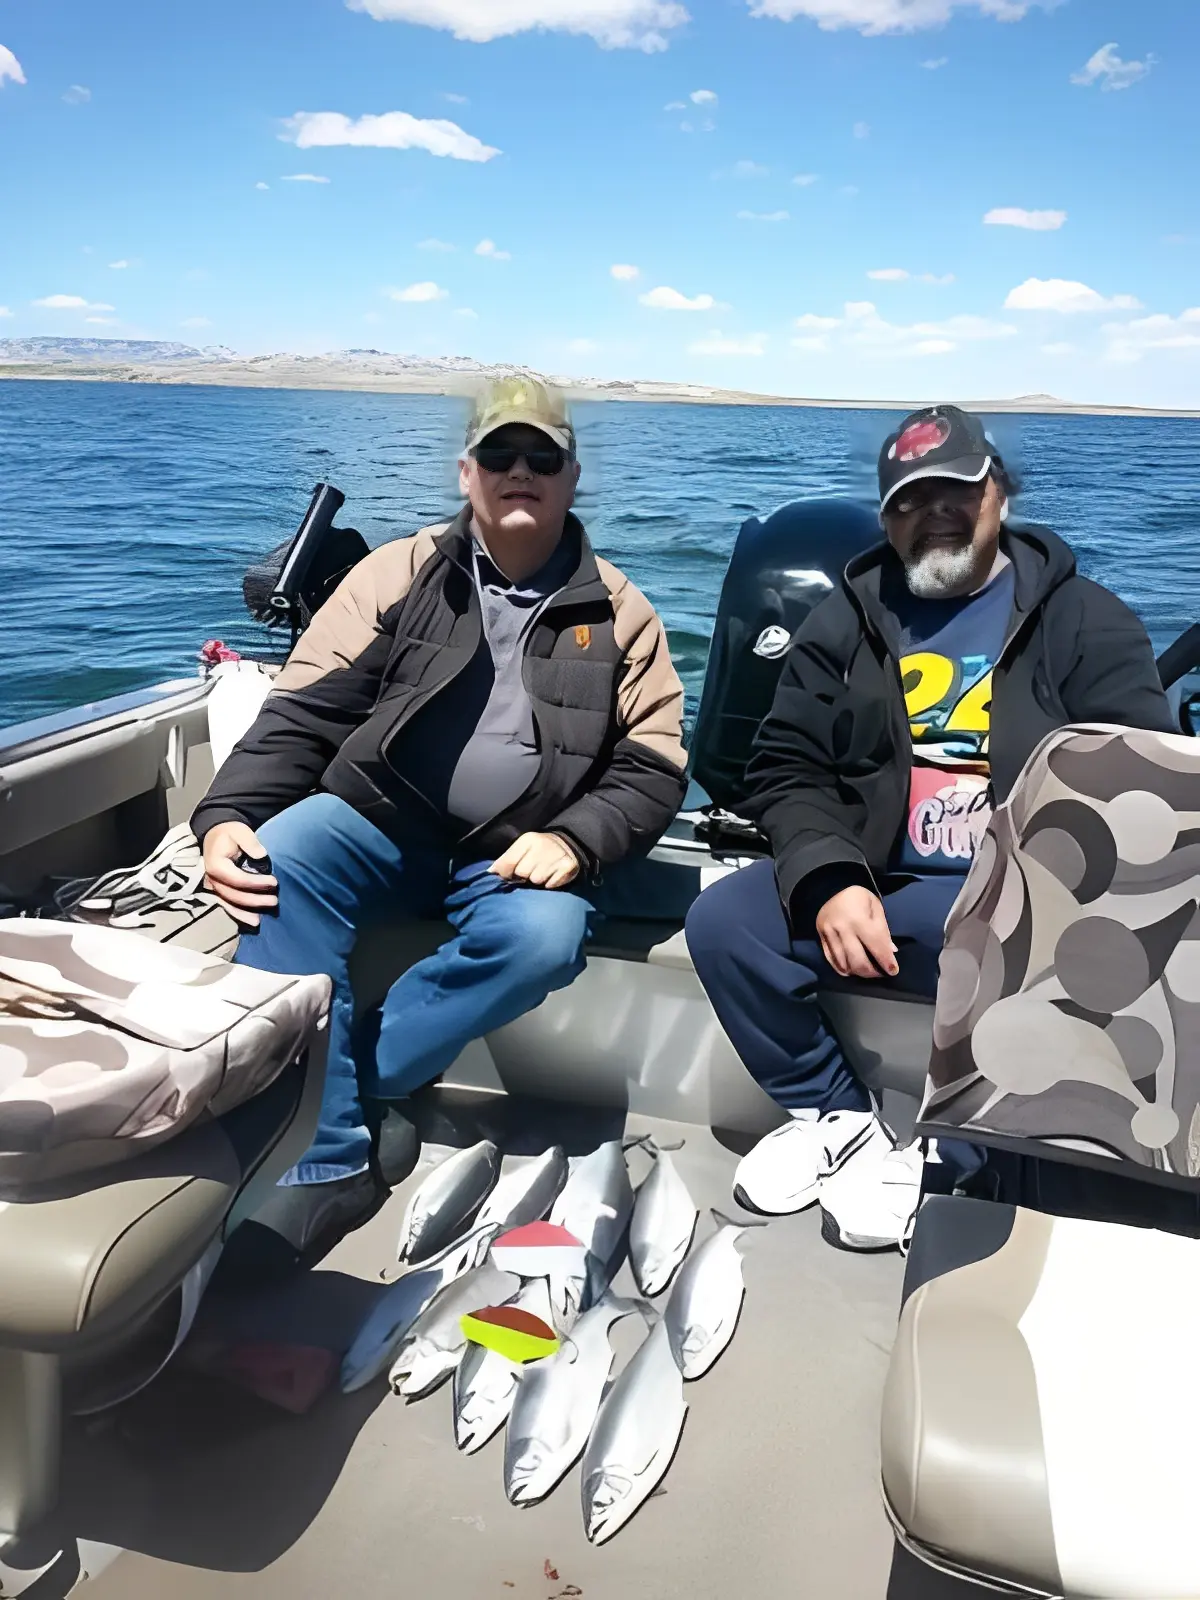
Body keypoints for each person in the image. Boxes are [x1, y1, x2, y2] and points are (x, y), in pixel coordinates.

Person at [193, 377, 687, 1265]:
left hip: (513, 852)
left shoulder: (622, 612)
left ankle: (344, 1081)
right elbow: (303, 709)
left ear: (574, 478)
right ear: (468, 473)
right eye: (501, 454)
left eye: (544, 458)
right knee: (282, 860)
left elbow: (653, 770)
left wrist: (575, 840)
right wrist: (228, 811)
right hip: (383, 820)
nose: (521, 472)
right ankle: (325, 1163)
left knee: (546, 937)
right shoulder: (398, 572)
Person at [686, 403, 1176, 1249]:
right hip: (891, 886)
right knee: (724, 925)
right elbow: (785, 765)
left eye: (957, 490)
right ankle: (838, 1117)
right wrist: (832, 876)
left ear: (999, 493)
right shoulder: (843, 620)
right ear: (886, 517)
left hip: (1031, 907)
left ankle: (965, 1152)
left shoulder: (1086, 620)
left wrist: (1026, 897)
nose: (936, 512)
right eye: (912, 499)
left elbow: (1140, 787)